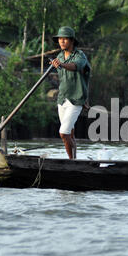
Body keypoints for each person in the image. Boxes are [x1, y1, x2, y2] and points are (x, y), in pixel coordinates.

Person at [50, 26, 91, 159]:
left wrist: (61, 65)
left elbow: (75, 66)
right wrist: (58, 64)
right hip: (62, 99)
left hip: (76, 99)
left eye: (65, 39)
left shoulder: (80, 56)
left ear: (72, 41)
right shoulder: (59, 56)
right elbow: (63, 78)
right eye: (60, 39)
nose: (61, 41)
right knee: (70, 134)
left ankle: (71, 162)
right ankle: (73, 161)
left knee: (64, 133)